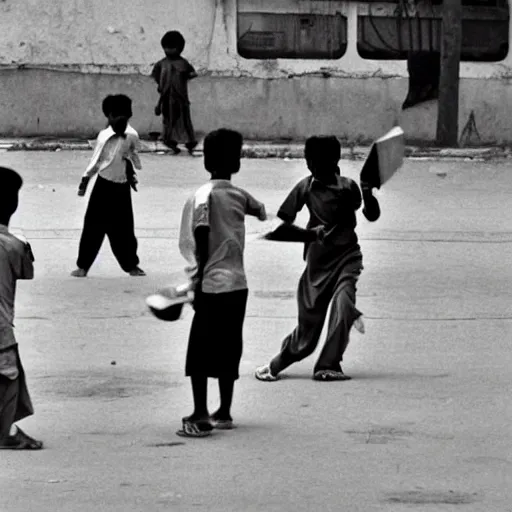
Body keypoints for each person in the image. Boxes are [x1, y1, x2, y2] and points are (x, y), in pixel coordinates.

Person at [255, 136, 380, 382]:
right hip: (317, 264)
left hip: (347, 257)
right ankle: (277, 364)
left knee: (343, 306)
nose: (313, 166)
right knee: (308, 329)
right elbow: (282, 221)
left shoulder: (349, 187)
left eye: (319, 162)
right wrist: (305, 234)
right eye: (310, 161)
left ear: (335, 160)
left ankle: (328, 364)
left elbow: (371, 214)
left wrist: (368, 193)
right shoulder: (304, 187)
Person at [176, 129, 267, 437]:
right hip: (238, 285)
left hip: (212, 284)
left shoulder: (203, 195)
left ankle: (201, 413)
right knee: (229, 345)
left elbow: (200, 232)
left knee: (199, 349)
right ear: (237, 162)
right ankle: (224, 411)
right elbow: (261, 211)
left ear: (206, 161)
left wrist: (198, 279)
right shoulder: (239, 195)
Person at [71, 94, 146, 278]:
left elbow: (132, 154)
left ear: (130, 115)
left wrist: (132, 173)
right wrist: (85, 180)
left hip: (122, 187)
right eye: (117, 115)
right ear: (109, 116)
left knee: (125, 228)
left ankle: (131, 265)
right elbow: (96, 161)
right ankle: (83, 266)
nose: (121, 119)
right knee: (92, 227)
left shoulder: (132, 136)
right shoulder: (104, 136)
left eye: (125, 115)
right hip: (103, 186)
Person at [0, 167, 42, 450]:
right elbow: (26, 273)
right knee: (9, 377)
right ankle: (5, 433)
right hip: (1, 326)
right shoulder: (13, 246)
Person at [151, 30, 198, 155]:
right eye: (166, 48)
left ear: (179, 48)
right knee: (168, 119)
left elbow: (192, 74)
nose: (168, 51)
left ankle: (190, 140)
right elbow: (156, 76)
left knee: (184, 119)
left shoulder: (183, 63)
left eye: (172, 48)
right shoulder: (162, 63)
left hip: (181, 98)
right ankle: (169, 140)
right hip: (166, 98)